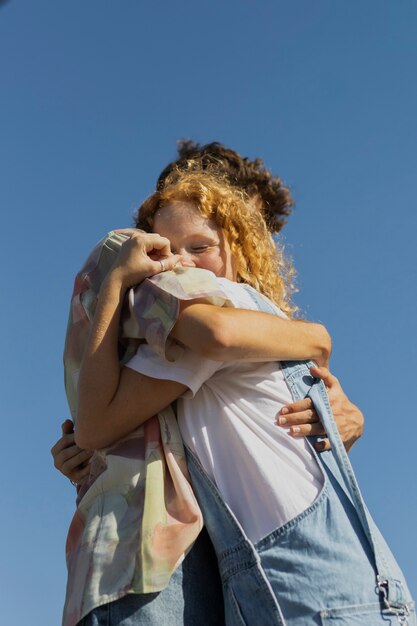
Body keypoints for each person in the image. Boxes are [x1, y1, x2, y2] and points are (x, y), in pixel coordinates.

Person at [66, 169, 414, 625]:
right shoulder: (252, 326)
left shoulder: (216, 308)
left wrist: (113, 282)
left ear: (239, 250)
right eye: (168, 252)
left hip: (308, 571)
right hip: (293, 573)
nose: (184, 265)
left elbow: (214, 339)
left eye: (200, 247)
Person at [52, 141, 364, 487]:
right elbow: (216, 335)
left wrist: (341, 413)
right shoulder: (179, 303)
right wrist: (93, 450)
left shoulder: (255, 313)